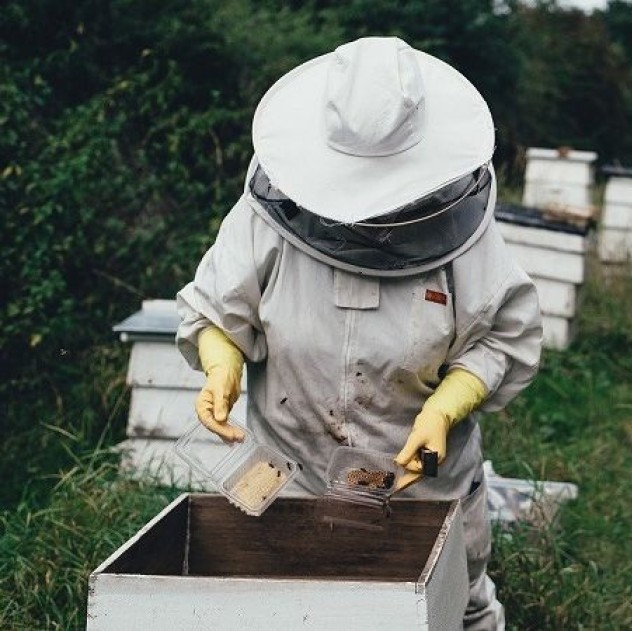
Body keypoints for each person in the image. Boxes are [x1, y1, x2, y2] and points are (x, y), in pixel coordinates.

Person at [175, 36, 542, 630]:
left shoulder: (465, 238)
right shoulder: (264, 223)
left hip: (423, 489)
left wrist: (445, 409)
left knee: (455, 611)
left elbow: (501, 336)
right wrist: (222, 365)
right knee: (297, 613)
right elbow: (218, 310)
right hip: (287, 481)